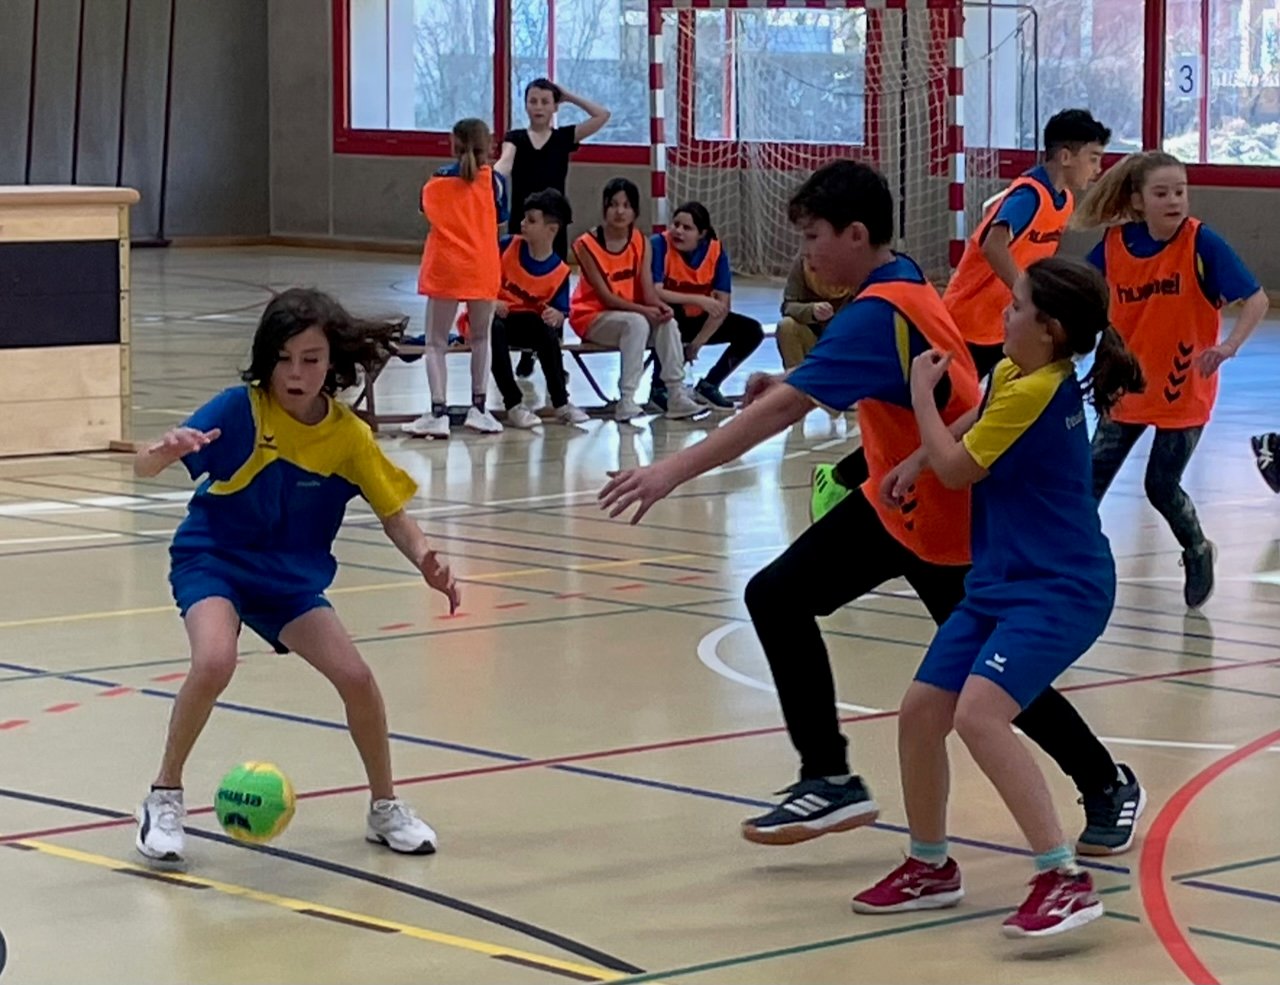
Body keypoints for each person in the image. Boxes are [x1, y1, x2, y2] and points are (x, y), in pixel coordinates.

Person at [598, 160, 1144, 859]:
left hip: (949, 519)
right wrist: (794, 376)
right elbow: (861, 371)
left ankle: (1103, 782)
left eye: (813, 237)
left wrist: (668, 470)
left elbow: (786, 412)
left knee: (993, 680)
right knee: (777, 595)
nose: (806, 254)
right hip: (898, 500)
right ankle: (830, 777)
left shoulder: (878, 312)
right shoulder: (901, 279)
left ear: (855, 234)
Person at [852, 258, 1145, 938]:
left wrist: (921, 400)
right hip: (999, 583)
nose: (1003, 315)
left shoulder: (1039, 387)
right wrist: (915, 459)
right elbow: (975, 422)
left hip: (1060, 588)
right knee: (921, 713)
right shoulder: (1016, 373)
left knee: (980, 715)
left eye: (1015, 306)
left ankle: (1063, 879)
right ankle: (930, 864)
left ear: (1050, 329)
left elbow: (958, 471)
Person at [133, 288, 459, 867]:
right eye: (283, 359)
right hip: (215, 558)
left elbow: (394, 514)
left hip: (287, 579)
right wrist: (162, 451)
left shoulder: (348, 437)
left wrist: (426, 559)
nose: (295, 373)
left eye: (310, 359)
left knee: (356, 677)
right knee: (215, 661)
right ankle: (164, 797)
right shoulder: (241, 409)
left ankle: (384, 807)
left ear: (332, 362)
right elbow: (145, 464)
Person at [808, 109, 1113, 522]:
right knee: (933, 416)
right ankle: (841, 479)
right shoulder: (1029, 195)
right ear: (1065, 156)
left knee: (980, 409)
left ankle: (945, 479)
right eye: (1093, 157)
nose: (1098, 168)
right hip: (966, 322)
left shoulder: (1063, 202)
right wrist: (1028, 293)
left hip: (1003, 327)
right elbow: (992, 245)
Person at [1074, 150, 1269, 608]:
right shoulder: (1113, 246)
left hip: (1185, 389)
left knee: (1160, 486)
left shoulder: (1202, 243)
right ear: (1138, 201)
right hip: (1126, 386)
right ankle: (1070, 565)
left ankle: (1197, 549)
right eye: (1161, 193)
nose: (1174, 201)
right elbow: (1079, 292)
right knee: (1087, 484)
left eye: (1180, 191)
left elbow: (1257, 299)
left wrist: (1228, 346)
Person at [497, 77, 611, 379]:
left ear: (554, 107)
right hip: (523, 224)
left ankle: (553, 355)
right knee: (520, 284)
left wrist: (568, 95)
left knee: (553, 289)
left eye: (545, 101)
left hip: (552, 228)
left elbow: (602, 115)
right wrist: (491, 178)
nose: (538, 107)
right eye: (533, 101)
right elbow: (505, 163)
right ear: (525, 105)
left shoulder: (563, 138)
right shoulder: (515, 137)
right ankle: (525, 349)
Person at [404, 118, 508, 440]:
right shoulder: (496, 183)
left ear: (453, 145)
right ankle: (480, 408)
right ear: (489, 146)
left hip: (446, 267)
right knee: (481, 339)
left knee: (436, 343)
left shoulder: (436, 181)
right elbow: (500, 220)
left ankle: (438, 413)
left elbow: (424, 213)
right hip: (482, 266)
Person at [569, 178, 702, 423]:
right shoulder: (586, 244)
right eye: (613, 204)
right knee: (637, 322)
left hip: (630, 317)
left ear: (635, 211)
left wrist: (661, 307)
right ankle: (627, 399)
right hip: (592, 317)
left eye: (626, 205)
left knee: (667, 322)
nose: (620, 211)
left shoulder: (641, 241)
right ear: (604, 208)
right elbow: (606, 297)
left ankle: (675, 395)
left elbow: (648, 291)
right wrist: (644, 311)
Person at [464, 189, 590, 427]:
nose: (523, 223)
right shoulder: (506, 246)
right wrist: (491, 301)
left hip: (521, 324)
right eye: (524, 218)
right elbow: (476, 277)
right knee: (494, 328)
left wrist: (557, 316)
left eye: (531, 220)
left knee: (546, 332)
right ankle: (513, 404)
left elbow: (561, 313)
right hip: (487, 317)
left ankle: (561, 403)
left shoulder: (560, 271)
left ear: (551, 230)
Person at [649, 201, 764, 411]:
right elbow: (654, 291)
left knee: (752, 331)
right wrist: (699, 299)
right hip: (664, 318)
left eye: (687, 228)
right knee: (668, 314)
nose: (678, 231)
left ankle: (710, 384)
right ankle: (658, 388)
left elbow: (722, 305)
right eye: (676, 224)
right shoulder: (659, 244)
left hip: (698, 320)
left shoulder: (715, 251)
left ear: (701, 233)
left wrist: (697, 344)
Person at [776, 251, 853, 371]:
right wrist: (811, 310)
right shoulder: (804, 260)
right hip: (814, 337)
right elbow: (787, 306)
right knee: (786, 326)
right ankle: (797, 379)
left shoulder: (859, 262)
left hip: (847, 339)